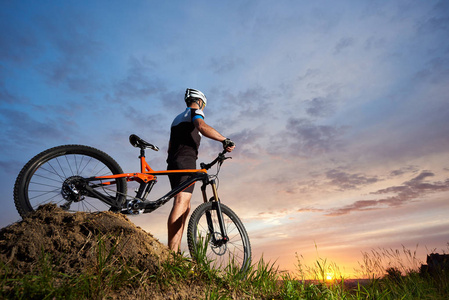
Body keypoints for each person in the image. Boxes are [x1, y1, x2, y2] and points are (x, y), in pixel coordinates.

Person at [166, 88, 235, 253]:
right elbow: (201, 126)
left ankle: (174, 251)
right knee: (181, 202)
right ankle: (172, 253)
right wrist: (224, 139)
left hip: (174, 162)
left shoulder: (176, 119)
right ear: (200, 102)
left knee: (186, 206)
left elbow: (170, 146)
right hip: (185, 162)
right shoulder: (195, 112)